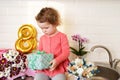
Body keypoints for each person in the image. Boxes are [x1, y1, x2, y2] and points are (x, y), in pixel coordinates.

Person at [35, 7, 70, 80]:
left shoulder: (62, 37)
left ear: (55, 23)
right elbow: (39, 53)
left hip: (58, 69)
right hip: (43, 69)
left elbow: (66, 53)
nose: (44, 30)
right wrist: (32, 60)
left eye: (46, 28)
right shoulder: (42, 38)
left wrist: (57, 61)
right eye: (42, 28)